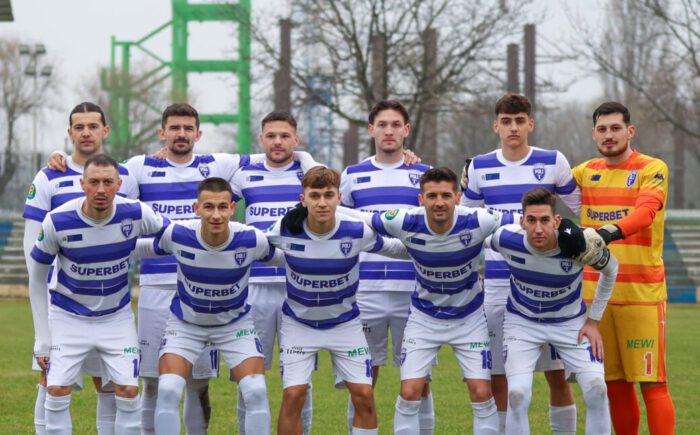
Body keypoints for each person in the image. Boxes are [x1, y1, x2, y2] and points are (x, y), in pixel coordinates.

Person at [46, 103, 319, 434]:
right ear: (162, 133)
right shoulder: (140, 166)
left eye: (188, 128)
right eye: (174, 128)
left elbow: (276, 152)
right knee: (152, 382)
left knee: (198, 383)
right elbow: (100, 179)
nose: (181, 134)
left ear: (198, 134)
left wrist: (307, 158)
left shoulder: (217, 164)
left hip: (207, 289)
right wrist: (62, 157)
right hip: (155, 288)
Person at [460, 94, 581, 433]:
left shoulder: (553, 161)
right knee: (499, 375)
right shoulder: (479, 167)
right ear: (495, 125)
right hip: (498, 285)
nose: (513, 127)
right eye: (506, 121)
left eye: (519, 121)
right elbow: (467, 221)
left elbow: (583, 210)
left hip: (548, 285)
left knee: (557, 375)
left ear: (531, 124)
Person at [26, 154, 167, 435]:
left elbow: (174, 234)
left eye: (107, 182)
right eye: (93, 182)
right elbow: (37, 279)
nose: (101, 189)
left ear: (119, 184)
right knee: (56, 389)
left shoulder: (136, 212)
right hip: (68, 316)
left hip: (116, 317)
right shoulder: (57, 220)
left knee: (128, 390)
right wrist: (42, 338)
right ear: (82, 184)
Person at [22, 102, 138, 434]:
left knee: (109, 383)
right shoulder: (49, 176)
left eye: (93, 126)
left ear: (105, 131)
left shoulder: (125, 176)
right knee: (50, 381)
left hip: (108, 303)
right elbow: (33, 248)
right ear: (70, 132)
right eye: (79, 127)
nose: (86, 132)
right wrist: (43, 303)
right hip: (61, 302)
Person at [269, 166, 408, 435]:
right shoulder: (284, 228)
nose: (322, 203)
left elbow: (394, 248)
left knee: (364, 395)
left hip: (345, 324)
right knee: (293, 396)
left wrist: (434, 247)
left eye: (328, 195)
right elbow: (257, 248)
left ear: (339, 198)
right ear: (303, 199)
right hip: (299, 324)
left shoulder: (356, 231)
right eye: (315, 196)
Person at [133, 177, 277, 435]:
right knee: (168, 390)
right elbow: (142, 248)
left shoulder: (252, 239)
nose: (216, 215)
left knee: (256, 391)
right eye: (208, 207)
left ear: (232, 208)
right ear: (196, 208)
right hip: (186, 325)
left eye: (222, 207)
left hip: (235, 325)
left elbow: (285, 258)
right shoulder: (178, 234)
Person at [572, 102, 675, 435]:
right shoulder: (585, 171)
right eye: (602, 129)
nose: (609, 135)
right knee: (614, 385)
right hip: (596, 299)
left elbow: (645, 213)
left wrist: (606, 233)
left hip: (640, 295)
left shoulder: (652, 168)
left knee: (652, 384)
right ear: (593, 134)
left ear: (630, 131)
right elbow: (541, 184)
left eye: (616, 128)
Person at [488, 188, 618, 434]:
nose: (538, 228)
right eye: (531, 220)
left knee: (597, 388)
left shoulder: (578, 244)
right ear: (522, 222)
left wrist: (593, 321)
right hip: (522, 323)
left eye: (545, 220)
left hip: (570, 324)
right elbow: (471, 238)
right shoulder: (505, 238)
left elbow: (612, 269)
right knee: (517, 394)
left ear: (557, 221)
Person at [339, 100, 433, 432]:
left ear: (406, 130)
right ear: (371, 130)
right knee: (363, 379)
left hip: (415, 290)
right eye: (382, 125)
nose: (389, 131)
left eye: (395, 125)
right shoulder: (352, 175)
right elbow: (340, 225)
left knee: (420, 379)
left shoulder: (424, 175)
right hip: (366, 291)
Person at [230, 111, 317, 434]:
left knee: (299, 379)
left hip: (299, 287)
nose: (277, 142)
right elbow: (213, 203)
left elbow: (330, 185)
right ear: (261, 139)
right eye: (270, 136)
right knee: (249, 376)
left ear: (296, 140)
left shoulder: (308, 173)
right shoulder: (244, 175)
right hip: (254, 288)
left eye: (284, 136)